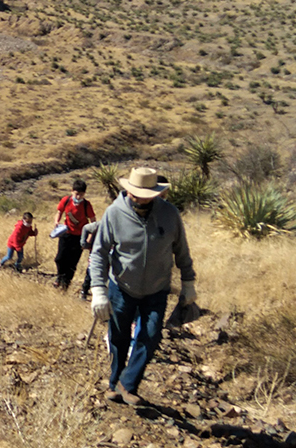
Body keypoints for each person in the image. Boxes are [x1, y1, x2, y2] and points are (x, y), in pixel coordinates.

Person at [89, 167, 197, 407]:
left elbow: (181, 250)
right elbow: (99, 253)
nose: (143, 198)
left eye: (149, 195)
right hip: (122, 287)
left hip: (157, 289)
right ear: (129, 191)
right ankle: (115, 382)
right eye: (138, 193)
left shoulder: (169, 214)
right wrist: (98, 290)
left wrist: (188, 281)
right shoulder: (114, 213)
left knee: (150, 335)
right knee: (118, 338)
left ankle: (128, 384)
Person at [53, 179, 95, 289]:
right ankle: (60, 277)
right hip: (66, 234)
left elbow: (93, 222)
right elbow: (59, 212)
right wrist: (56, 221)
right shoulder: (66, 200)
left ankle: (65, 284)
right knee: (60, 258)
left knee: (72, 262)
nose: (78, 197)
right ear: (72, 191)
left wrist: (89, 238)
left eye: (81, 194)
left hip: (80, 237)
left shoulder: (86, 205)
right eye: (76, 194)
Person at [79, 220, 100, 300]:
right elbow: (86, 227)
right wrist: (83, 243)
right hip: (97, 252)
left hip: (112, 254)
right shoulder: (102, 224)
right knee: (91, 271)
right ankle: (84, 291)